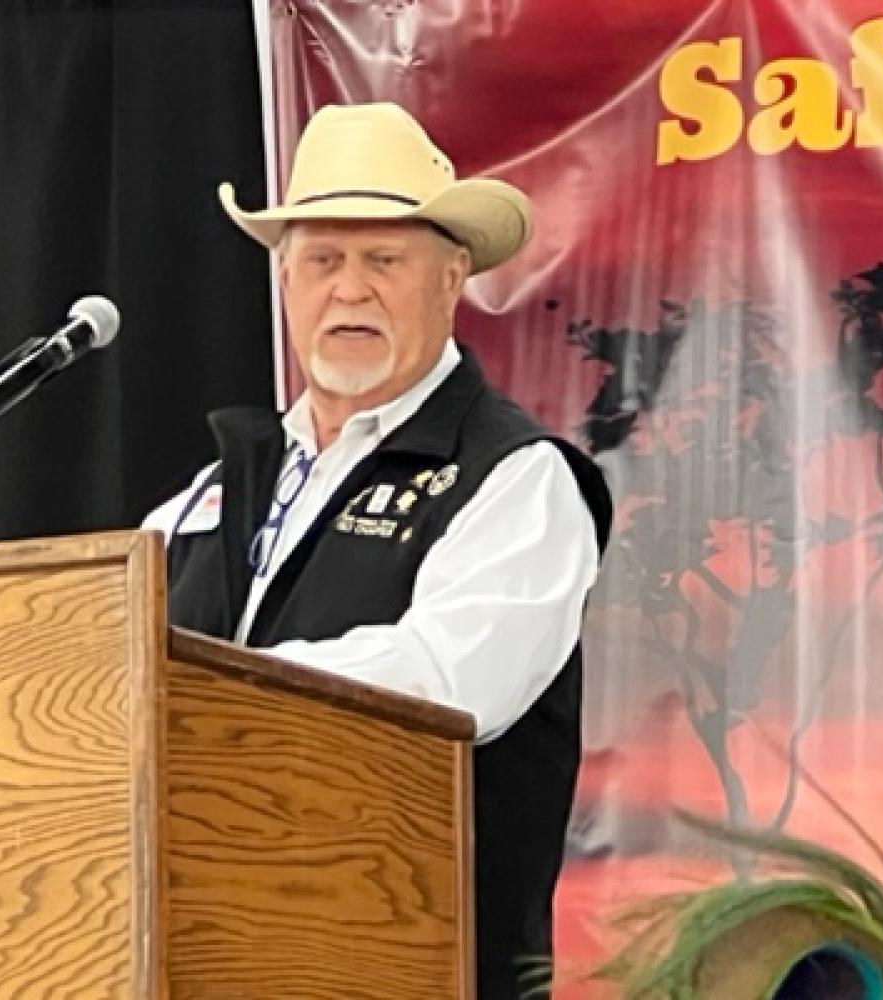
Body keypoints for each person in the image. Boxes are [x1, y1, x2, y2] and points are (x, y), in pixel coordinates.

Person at [143, 102, 613, 1000]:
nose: (348, 289)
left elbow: (443, 683)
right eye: (322, 260)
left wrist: (203, 704)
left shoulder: (517, 478)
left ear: (451, 280)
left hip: (424, 971)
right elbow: (93, 674)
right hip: (217, 964)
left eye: (383, 260)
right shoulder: (209, 492)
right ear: (285, 285)